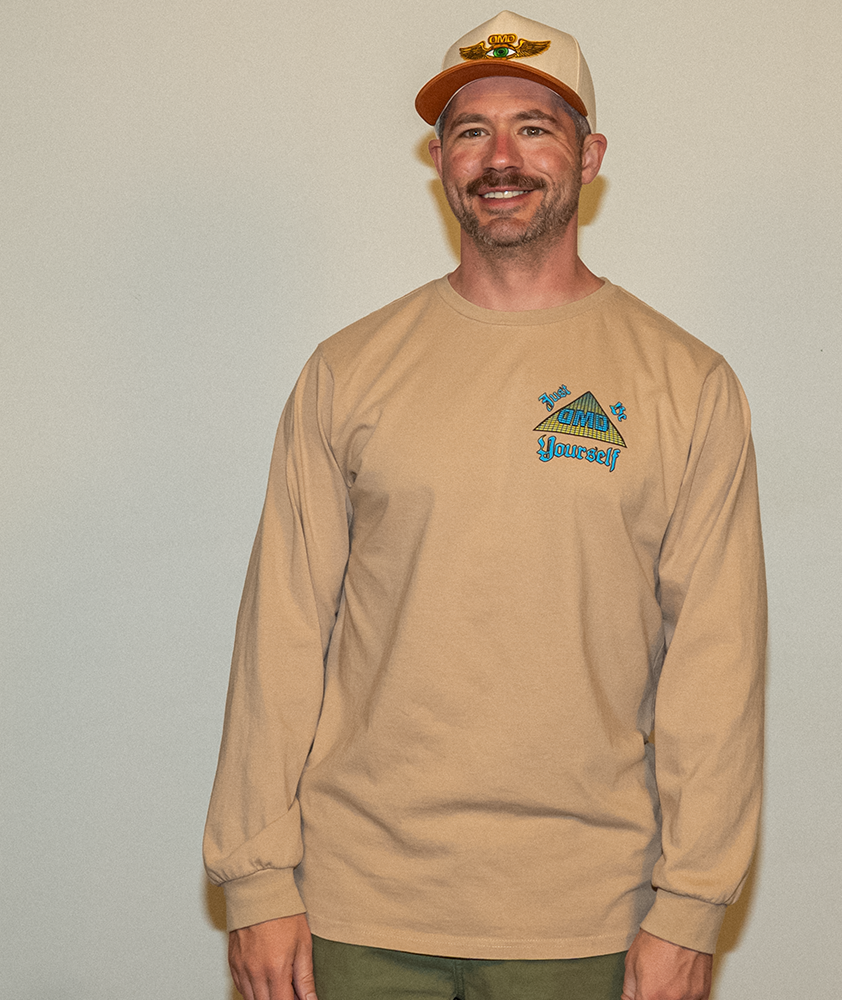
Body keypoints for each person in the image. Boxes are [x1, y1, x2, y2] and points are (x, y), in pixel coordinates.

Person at [204, 11, 766, 1000]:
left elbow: (716, 666)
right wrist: (255, 880)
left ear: (588, 156)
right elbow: (281, 634)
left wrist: (689, 905)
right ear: (440, 160)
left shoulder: (687, 384)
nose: (501, 157)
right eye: (471, 130)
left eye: (534, 127)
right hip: (356, 911)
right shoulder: (349, 371)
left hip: (587, 916)